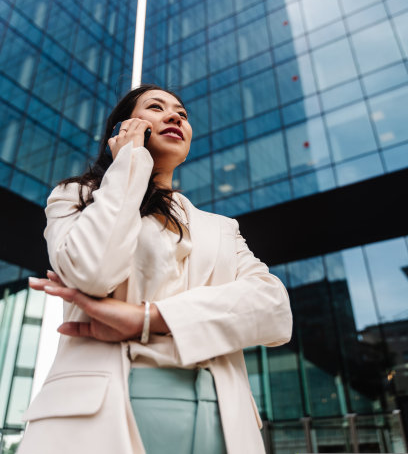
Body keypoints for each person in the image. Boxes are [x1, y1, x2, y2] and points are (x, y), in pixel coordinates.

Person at [18, 83, 292, 454]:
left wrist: (148, 317)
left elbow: (274, 310)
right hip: (102, 409)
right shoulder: (74, 198)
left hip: (219, 411)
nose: (175, 116)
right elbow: (92, 272)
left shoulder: (222, 228)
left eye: (181, 112)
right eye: (156, 107)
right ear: (125, 127)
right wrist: (130, 163)